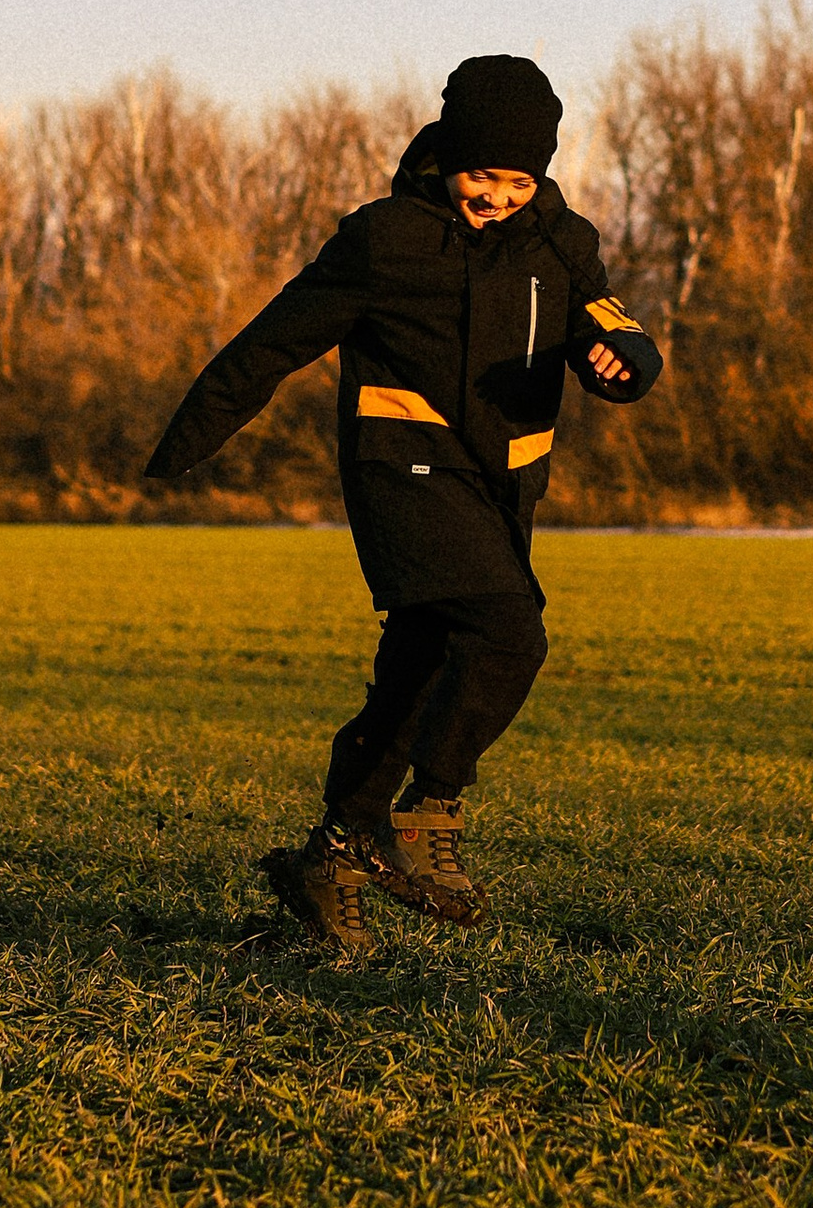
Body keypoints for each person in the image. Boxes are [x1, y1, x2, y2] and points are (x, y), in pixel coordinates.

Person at [143, 54, 661, 959]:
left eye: (516, 178)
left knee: (422, 664)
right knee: (508, 633)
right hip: (405, 472)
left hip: (504, 482)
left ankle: (336, 850)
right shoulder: (384, 240)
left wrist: (628, 364)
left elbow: (609, 328)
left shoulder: (563, 243)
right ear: (443, 156)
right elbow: (269, 345)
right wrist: (179, 450)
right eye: (479, 173)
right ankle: (429, 812)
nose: (495, 195)